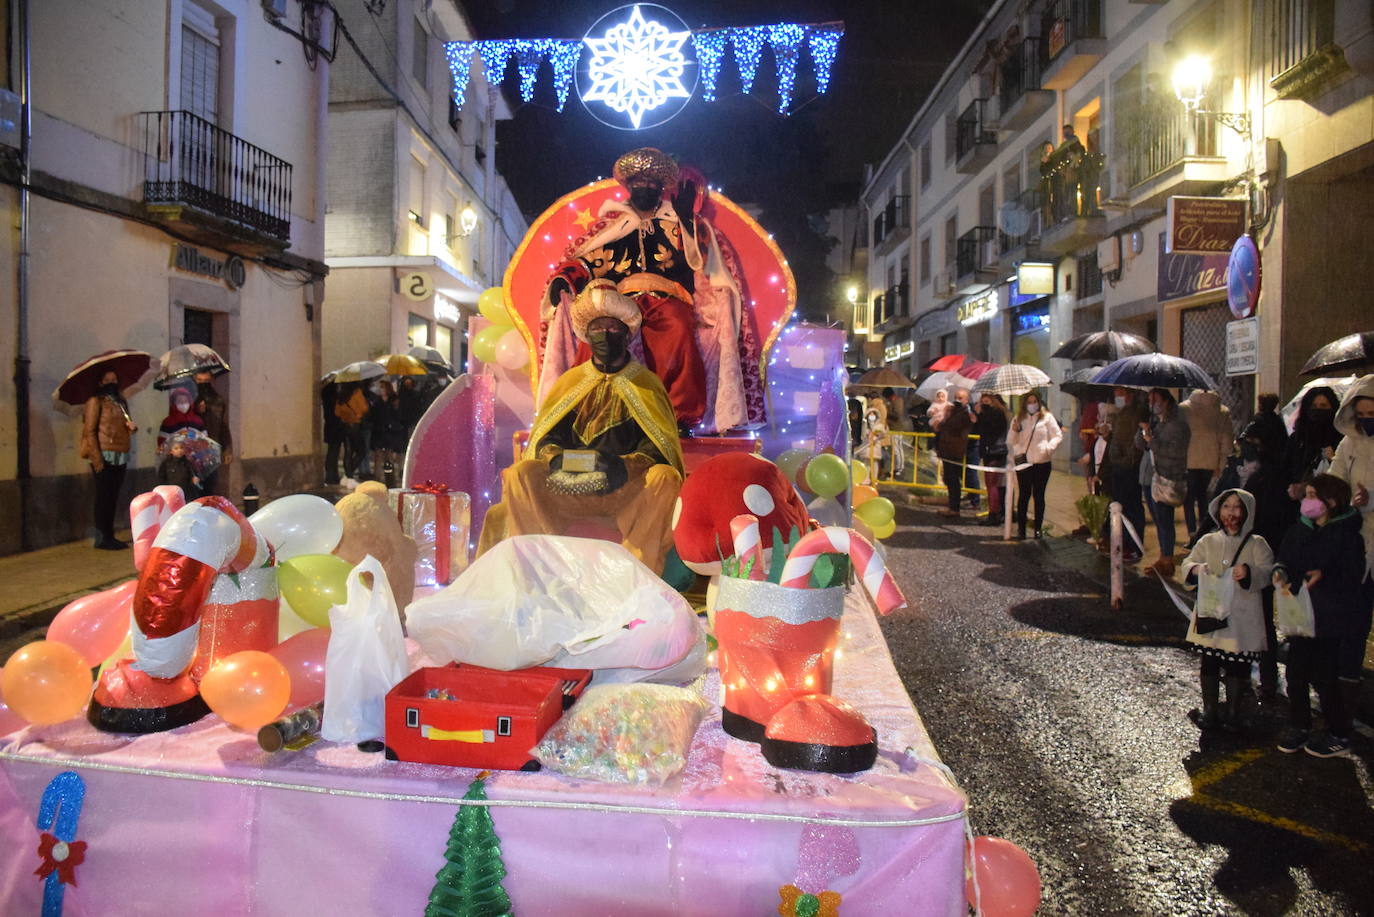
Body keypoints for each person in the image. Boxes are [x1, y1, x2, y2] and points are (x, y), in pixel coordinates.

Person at [539, 148, 760, 434]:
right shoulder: (614, 227)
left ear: (660, 189)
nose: (644, 189)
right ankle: (590, 408)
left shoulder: (677, 224)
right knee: (599, 333)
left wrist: (686, 223)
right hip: (620, 302)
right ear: (629, 188)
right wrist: (564, 279)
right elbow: (588, 260)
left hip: (667, 298)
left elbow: (701, 261)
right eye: (638, 184)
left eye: (651, 184)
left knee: (676, 328)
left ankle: (679, 416)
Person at [478, 281, 684, 574]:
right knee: (520, 474)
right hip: (568, 488)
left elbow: (659, 448)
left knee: (665, 477)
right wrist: (559, 459)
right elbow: (547, 438)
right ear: (587, 335)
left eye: (613, 329)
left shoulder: (646, 384)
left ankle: (638, 576)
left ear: (626, 334)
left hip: (626, 491)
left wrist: (622, 466)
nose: (605, 335)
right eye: (598, 329)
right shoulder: (570, 383)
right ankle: (535, 572)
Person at [1273, 474, 1367, 757]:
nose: (1307, 501)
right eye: (1307, 495)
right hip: (1300, 615)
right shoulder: (1299, 530)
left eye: (1313, 495)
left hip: (1329, 619)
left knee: (1326, 678)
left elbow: (1353, 575)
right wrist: (1280, 572)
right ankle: (1299, 726)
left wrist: (1324, 575)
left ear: (1332, 502)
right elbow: (1285, 557)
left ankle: (1339, 732)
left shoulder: (1348, 536)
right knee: (1296, 674)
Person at [1180, 489, 1273, 732]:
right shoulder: (1208, 541)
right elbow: (1188, 564)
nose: (1231, 512)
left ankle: (1233, 711)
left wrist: (1249, 573)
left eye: (1237, 507)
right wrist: (1196, 569)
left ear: (1247, 512)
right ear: (1218, 511)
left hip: (1241, 617)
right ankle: (1210, 711)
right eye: (1226, 506)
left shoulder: (1257, 544)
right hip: (1212, 614)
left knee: (1237, 664)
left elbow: (1267, 573)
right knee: (1209, 661)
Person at [1327, 376, 1374, 729]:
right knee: (1353, 625)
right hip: (1355, 549)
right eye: (1361, 413)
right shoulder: (1349, 443)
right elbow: (1335, 484)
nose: (1366, 419)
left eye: (1372, 412)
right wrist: (1337, 499)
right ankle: (1345, 707)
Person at [1238, 392, 1290, 702]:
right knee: (1257, 617)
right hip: (1256, 551)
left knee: (1258, 618)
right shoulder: (1253, 472)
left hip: (1262, 553)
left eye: (1253, 444)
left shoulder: (1268, 477)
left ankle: (1264, 677)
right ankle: (1257, 676)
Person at [80, 370, 138, 550]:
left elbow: (122, 427)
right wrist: (97, 460)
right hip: (104, 454)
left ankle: (109, 535)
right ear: (100, 382)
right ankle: (102, 536)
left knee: (113, 497)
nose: (112, 382)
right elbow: (89, 431)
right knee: (103, 497)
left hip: (120, 454)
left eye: (114, 379)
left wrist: (131, 428)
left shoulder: (120, 402)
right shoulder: (95, 402)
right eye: (107, 380)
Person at [1137, 388, 1190, 576]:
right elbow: (1140, 444)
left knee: (1164, 520)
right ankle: (1162, 556)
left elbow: (1176, 452)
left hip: (1165, 477)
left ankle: (1167, 559)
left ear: (1166, 401)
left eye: (1155, 399)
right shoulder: (1156, 423)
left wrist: (1153, 441)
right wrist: (1144, 431)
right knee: (1158, 519)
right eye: (1149, 400)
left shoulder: (1178, 425)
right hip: (1148, 477)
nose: (1152, 403)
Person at [1180, 390, 1234, 547]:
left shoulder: (1184, 409)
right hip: (1210, 461)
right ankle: (1202, 534)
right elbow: (1227, 441)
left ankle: (1192, 534)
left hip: (1188, 461)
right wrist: (1220, 464)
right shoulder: (1222, 411)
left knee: (1189, 499)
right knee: (1203, 497)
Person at [1007, 391, 1063, 539]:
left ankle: (1038, 529)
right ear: (1024, 403)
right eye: (1029, 401)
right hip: (1024, 463)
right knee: (1023, 495)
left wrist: (1048, 449)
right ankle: (1021, 529)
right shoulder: (1018, 418)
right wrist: (1014, 431)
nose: (1032, 404)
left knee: (1039, 495)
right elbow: (1011, 441)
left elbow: (1057, 435)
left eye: (1035, 401)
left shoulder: (1047, 417)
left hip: (1042, 462)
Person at [1103, 387, 1148, 562]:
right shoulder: (1123, 412)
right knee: (1120, 506)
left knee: (1132, 508)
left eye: (1119, 392)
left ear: (1129, 393)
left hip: (1129, 467)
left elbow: (1136, 443)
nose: (1117, 395)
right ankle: (1122, 543)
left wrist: (1127, 460)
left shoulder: (1138, 413)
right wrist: (1108, 436)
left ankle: (1134, 546)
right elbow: (1119, 438)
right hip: (1119, 465)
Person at [1281, 385, 1342, 507]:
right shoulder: (1297, 439)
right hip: (1299, 506)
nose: (1318, 410)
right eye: (1314, 406)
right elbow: (1286, 469)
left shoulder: (1342, 440)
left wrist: (1333, 458)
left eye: (1323, 406)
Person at [972, 392, 1010, 526]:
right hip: (991, 450)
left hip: (995, 451)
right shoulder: (993, 411)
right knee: (995, 484)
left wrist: (981, 413)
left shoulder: (997, 412)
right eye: (983, 397)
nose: (984, 399)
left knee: (992, 483)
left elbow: (992, 428)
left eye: (986, 397)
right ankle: (999, 512)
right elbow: (980, 429)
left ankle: (994, 514)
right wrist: (976, 418)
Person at [935, 389, 974, 518]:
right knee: (948, 478)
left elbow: (955, 426)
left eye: (961, 398)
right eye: (956, 397)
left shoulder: (965, 414)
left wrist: (951, 413)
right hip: (946, 449)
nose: (957, 400)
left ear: (967, 400)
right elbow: (944, 427)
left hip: (955, 450)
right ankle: (952, 505)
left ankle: (954, 508)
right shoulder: (951, 412)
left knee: (953, 479)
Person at [193, 370, 232, 495]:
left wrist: (227, 449)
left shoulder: (218, 401)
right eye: (200, 381)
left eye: (206, 381)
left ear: (212, 381)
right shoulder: (189, 399)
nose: (203, 385)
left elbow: (223, 425)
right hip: (193, 450)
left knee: (211, 485)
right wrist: (196, 411)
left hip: (212, 449)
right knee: (195, 487)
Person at [334, 383, 369, 482]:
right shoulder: (357, 393)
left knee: (348, 451)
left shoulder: (341, 396)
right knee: (361, 451)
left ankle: (348, 475)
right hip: (355, 425)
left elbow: (337, 412)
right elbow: (363, 408)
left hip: (345, 425)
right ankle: (349, 474)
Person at [322, 381, 344, 486]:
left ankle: (331, 475)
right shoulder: (333, 400)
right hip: (335, 428)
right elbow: (337, 413)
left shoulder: (327, 399)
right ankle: (331, 476)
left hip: (330, 427)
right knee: (333, 453)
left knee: (332, 452)